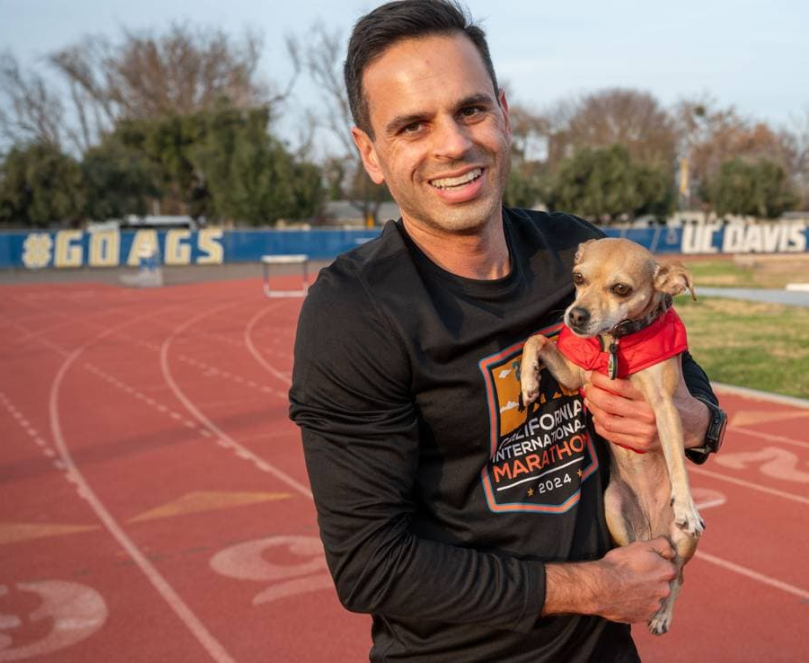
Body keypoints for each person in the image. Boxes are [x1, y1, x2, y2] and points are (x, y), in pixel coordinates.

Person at [289, 2, 725, 660]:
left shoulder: (578, 253)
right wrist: (594, 588)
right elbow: (371, 566)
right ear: (370, 154)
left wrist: (694, 422)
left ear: (504, 114)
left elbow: (689, 384)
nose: (454, 144)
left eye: (470, 110)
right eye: (412, 125)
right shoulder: (354, 314)